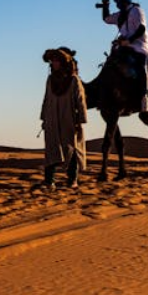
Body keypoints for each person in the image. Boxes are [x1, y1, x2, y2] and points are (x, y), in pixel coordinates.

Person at [40, 48, 87, 190]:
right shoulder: (50, 80)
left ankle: (72, 180)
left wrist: (80, 121)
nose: (53, 63)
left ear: (62, 62)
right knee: (51, 149)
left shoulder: (73, 80)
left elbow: (81, 101)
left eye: (55, 60)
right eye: (52, 61)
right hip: (52, 119)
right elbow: (46, 99)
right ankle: (49, 181)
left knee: (71, 149)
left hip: (69, 119)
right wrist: (43, 118)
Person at [100, 0, 148, 111]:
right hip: (123, 47)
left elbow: (141, 29)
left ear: (124, 2)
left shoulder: (137, 11)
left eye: (118, 2)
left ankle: (144, 97)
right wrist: (105, 6)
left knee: (140, 67)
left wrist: (128, 41)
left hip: (139, 47)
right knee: (110, 63)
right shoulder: (120, 14)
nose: (117, 5)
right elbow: (107, 19)